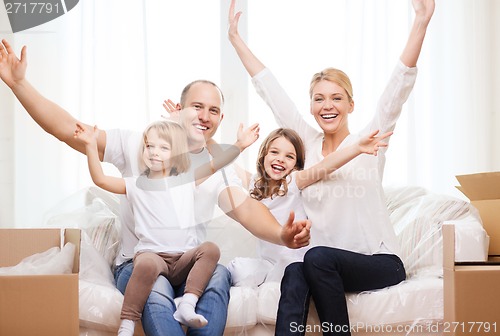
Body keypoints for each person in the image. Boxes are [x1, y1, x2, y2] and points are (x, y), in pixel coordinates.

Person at [0, 39, 311, 336]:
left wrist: (283, 235)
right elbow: (69, 129)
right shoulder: (142, 144)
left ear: (220, 118)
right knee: (156, 291)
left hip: (187, 264)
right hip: (142, 262)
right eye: (197, 107)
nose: (204, 116)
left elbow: (247, 210)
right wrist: (19, 84)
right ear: (179, 107)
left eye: (213, 111)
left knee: (218, 277)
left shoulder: (215, 169)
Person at [227, 0, 435, 334]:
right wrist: (236, 40)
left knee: (315, 257)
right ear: (310, 106)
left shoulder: (370, 142)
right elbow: (271, 91)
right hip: (322, 264)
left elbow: (398, 88)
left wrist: (421, 23)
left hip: (378, 262)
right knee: (297, 270)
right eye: (319, 98)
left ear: (351, 104)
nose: (328, 105)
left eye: (337, 98)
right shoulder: (305, 148)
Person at [74, 111, 259, 335]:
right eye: (149, 146)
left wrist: (240, 145)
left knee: (210, 249)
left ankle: (187, 303)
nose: (154, 153)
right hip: (152, 256)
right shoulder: (134, 184)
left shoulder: (185, 180)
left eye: (163, 148)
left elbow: (216, 164)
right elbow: (100, 179)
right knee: (146, 265)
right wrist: (91, 145)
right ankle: (128, 321)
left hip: (182, 259)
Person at [228, 127, 392, 287]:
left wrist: (357, 148)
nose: (280, 159)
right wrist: (239, 144)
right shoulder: (254, 183)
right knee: (237, 269)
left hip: (294, 262)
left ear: (296, 164)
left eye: (289, 156)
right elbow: (224, 167)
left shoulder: (293, 181)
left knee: (286, 276)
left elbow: (325, 165)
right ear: (263, 154)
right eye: (274, 152)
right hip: (267, 263)